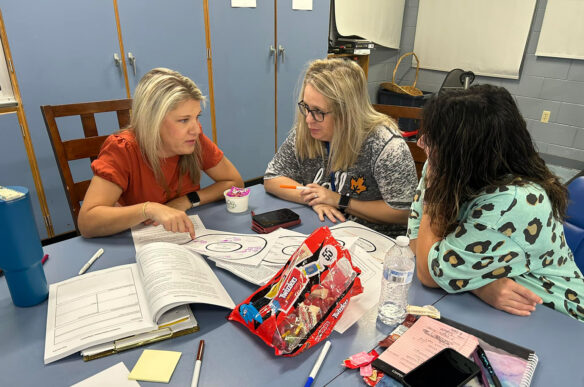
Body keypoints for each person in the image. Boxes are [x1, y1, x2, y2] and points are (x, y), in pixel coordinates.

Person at [408, 84, 584, 321]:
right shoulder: (444, 166)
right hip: (498, 310)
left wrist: (433, 196)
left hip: (555, 318)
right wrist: (478, 285)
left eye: (433, 140)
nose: (422, 144)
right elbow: (416, 244)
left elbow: (428, 273)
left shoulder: (516, 203)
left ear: (468, 154)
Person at [78, 68, 243, 238]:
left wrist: (186, 201)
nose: (195, 129)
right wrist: (149, 209)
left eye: (197, 117)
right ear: (153, 122)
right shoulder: (123, 148)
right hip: (134, 240)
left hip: (185, 235)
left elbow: (234, 182)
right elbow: (87, 223)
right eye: (184, 120)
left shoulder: (193, 139)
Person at [264, 58, 417, 238]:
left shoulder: (385, 145)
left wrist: (340, 201)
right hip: (324, 230)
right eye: (306, 107)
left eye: (318, 111)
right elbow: (272, 178)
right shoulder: (306, 132)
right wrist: (314, 199)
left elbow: (404, 212)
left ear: (347, 113)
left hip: (374, 240)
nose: (308, 119)